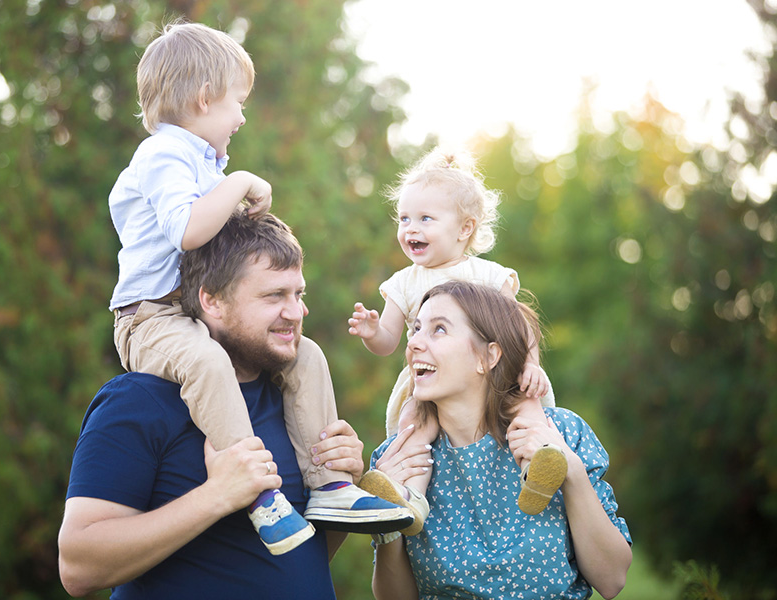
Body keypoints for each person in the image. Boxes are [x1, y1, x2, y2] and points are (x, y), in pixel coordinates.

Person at [107, 21, 397, 554]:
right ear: (203, 98)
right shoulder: (163, 155)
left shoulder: (201, 161)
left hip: (193, 311)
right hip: (149, 318)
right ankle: (260, 493)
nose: (242, 115)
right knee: (208, 363)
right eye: (237, 102)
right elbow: (189, 230)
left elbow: (220, 247)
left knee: (306, 356)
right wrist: (238, 184)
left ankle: (328, 484)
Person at [58, 212, 413, 598]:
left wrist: (342, 484)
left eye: (299, 294)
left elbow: (299, 556)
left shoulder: (294, 403)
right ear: (211, 300)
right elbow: (79, 567)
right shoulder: (138, 400)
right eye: (274, 295)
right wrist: (217, 497)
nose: (295, 312)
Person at [367, 281, 633, 599]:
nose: (413, 345)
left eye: (438, 330)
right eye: (416, 330)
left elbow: (612, 579)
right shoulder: (397, 458)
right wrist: (387, 526)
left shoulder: (559, 433)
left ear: (488, 357)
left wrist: (571, 471)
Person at [349, 147, 562, 530]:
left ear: (465, 228)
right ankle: (410, 497)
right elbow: (388, 343)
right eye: (404, 219)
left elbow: (519, 326)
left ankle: (538, 467)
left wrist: (530, 363)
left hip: (496, 374)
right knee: (413, 424)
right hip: (430, 378)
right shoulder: (405, 281)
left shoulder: (486, 274)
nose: (410, 228)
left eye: (425, 219)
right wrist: (371, 331)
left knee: (525, 404)